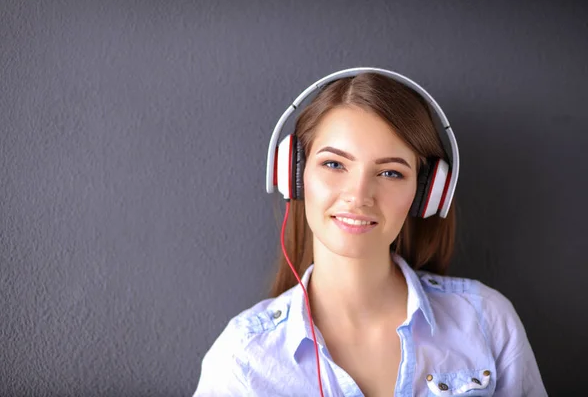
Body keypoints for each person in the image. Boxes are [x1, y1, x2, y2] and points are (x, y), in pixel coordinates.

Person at [193, 69, 547, 396]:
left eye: (391, 173)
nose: (359, 196)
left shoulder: (487, 321)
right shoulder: (243, 357)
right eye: (334, 164)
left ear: (426, 194)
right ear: (294, 174)